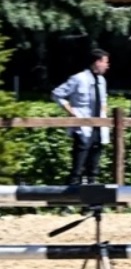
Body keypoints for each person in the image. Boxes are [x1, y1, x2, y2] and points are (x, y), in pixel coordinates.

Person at [52, 49, 111, 185]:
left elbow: (103, 100)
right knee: (78, 168)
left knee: (94, 169)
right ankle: (70, 201)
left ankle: (90, 204)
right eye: (105, 62)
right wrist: (71, 111)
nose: (107, 66)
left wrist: (103, 114)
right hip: (83, 128)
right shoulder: (78, 78)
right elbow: (57, 94)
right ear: (97, 62)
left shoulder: (102, 81)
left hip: (98, 129)